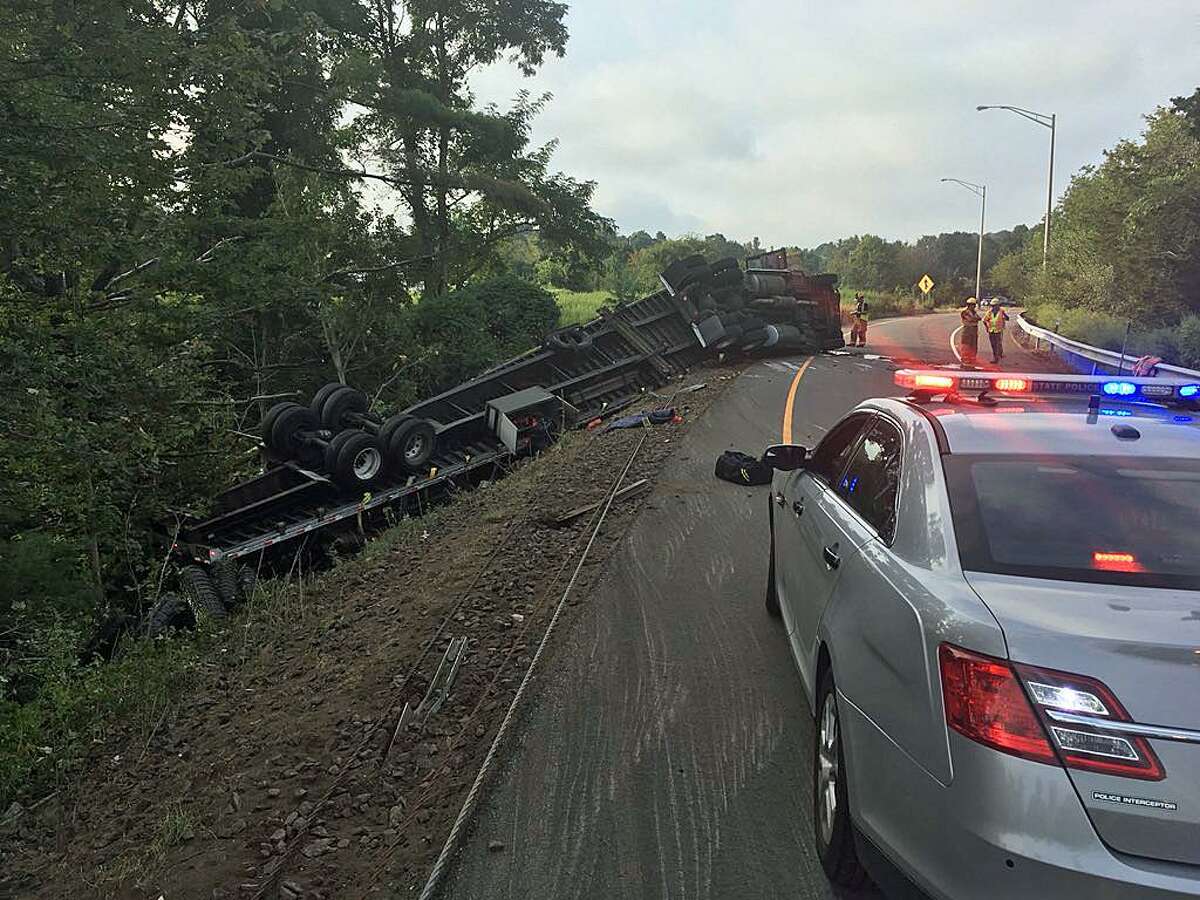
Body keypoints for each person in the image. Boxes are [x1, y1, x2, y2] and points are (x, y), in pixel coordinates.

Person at [982, 298, 1009, 363]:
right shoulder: (989, 312)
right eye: (992, 306)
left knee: (998, 343)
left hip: (999, 330)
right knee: (993, 344)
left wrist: (1004, 314)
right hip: (991, 330)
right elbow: (984, 320)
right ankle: (997, 354)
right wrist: (986, 327)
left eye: (995, 305)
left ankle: (996, 357)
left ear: (998, 305)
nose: (993, 307)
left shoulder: (1001, 311)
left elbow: (1007, 318)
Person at [959, 298, 982, 366]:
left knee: (973, 345)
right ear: (969, 305)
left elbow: (979, 318)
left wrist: (975, 319)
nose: (974, 306)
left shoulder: (974, 312)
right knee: (966, 345)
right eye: (972, 305)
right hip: (967, 330)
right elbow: (971, 319)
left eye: (974, 305)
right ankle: (965, 359)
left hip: (974, 330)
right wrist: (975, 319)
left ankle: (972, 358)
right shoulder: (964, 312)